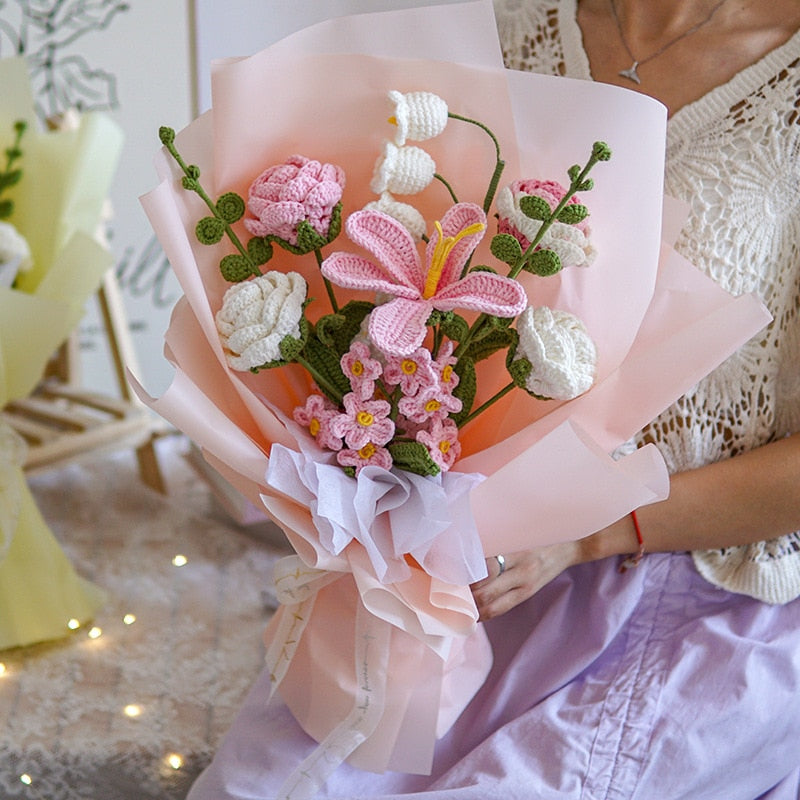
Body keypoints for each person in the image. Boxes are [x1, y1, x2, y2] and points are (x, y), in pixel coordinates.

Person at [187, 1, 800, 797]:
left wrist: (587, 535)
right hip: (455, 554)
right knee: (258, 787)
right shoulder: (503, 33)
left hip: (707, 584)